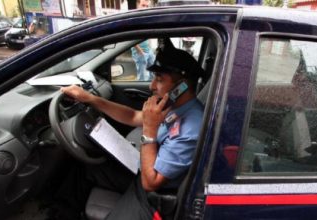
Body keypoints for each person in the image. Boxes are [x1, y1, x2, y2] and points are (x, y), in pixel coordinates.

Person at [56, 38, 205, 220]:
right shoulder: (172, 106)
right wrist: (90, 99)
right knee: (85, 168)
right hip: (143, 168)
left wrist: (149, 129)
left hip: (154, 193)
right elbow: (133, 116)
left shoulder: (191, 128)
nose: (151, 86)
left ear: (181, 86)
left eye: (159, 79)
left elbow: (151, 182)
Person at [131, 0, 155, 81]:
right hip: (140, 53)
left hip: (148, 51)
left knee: (154, 73)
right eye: (143, 5)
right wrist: (140, 52)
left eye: (147, 6)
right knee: (142, 78)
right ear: (138, 5)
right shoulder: (134, 19)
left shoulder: (146, 18)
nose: (145, 8)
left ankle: (152, 91)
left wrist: (150, 48)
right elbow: (131, 37)